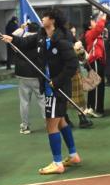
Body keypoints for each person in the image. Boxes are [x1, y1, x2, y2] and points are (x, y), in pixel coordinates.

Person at [31, 9, 82, 175]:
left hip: (55, 89)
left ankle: (57, 163)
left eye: (44, 16)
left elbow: (72, 64)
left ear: (52, 20)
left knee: (51, 124)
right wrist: (12, 39)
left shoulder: (60, 39)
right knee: (61, 122)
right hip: (53, 87)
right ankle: (73, 155)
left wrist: (57, 81)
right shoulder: (44, 36)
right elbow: (27, 41)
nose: (42, 19)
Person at [3, 18, 44, 134]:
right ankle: (49, 123)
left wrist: (21, 28)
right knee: (42, 100)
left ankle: (25, 126)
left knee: (24, 102)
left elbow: (11, 36)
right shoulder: (39, 40)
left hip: (22, 75)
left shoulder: (19, 40)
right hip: (36, 75)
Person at [83, 15, 107, 118]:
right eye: (92, 21)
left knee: (94, 84)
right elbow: (99, 28)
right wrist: (103, 17)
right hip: (95, 61)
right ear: (89, 26)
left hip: (98, 61)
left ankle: (91, 107)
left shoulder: (96, 35)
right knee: (97, 85)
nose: (95, 22)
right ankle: (96, 109)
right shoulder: (90, 33)